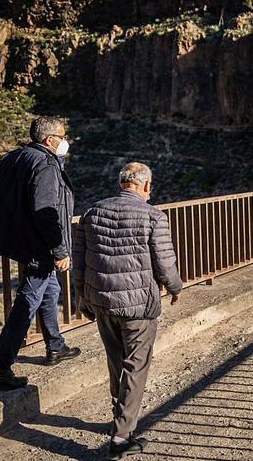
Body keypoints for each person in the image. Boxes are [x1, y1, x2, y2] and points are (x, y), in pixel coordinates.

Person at [74, 162, 182, 460]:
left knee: (116, 360)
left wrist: (83, 295)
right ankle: (121, 438)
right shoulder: (153, 216)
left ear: (121, 183)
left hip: (103, 302)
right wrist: (175, 287)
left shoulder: (92, 212)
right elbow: (164, 261)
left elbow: (80, 259)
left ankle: (118, 417)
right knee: (136, 365)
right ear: (145, 186)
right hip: (139, 306)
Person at [0, 116, 81, 390]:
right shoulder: (46, 164)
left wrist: (13, 223)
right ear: (49, 140)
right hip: (40, 245)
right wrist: (59, 250)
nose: (65, 140)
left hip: (25, 242)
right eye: (62, 135)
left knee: (49, 291)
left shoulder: (14, 157)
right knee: (28, 299)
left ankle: (55, 346)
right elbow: (46, 213)